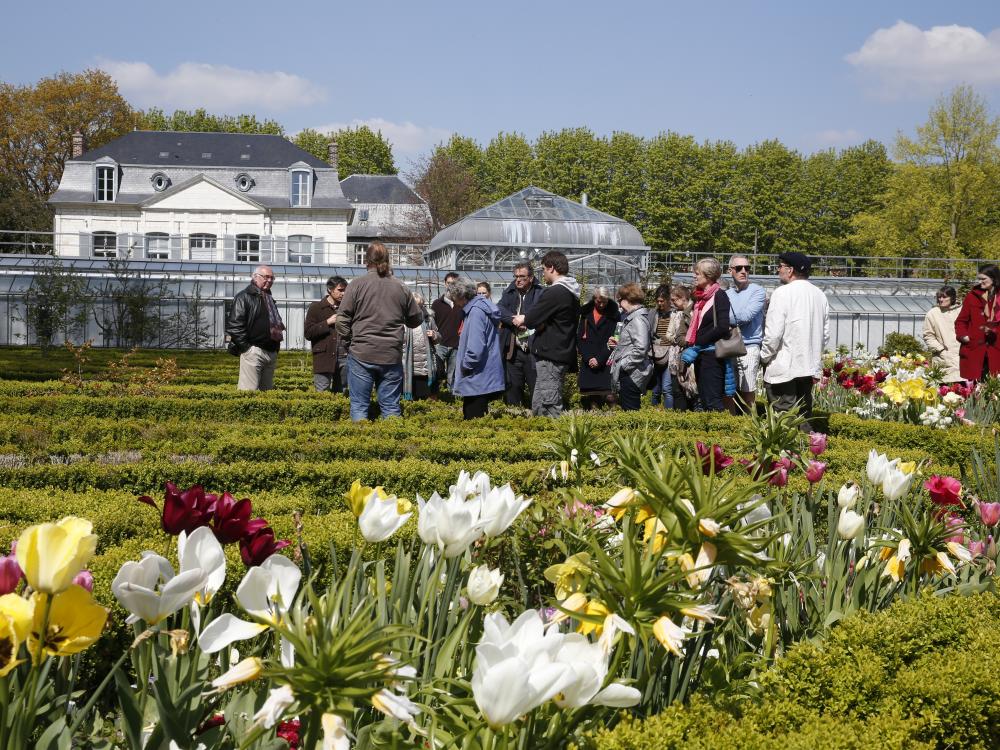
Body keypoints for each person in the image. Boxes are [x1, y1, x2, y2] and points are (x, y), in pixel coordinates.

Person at [336, 243, 423, 421]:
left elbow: (342, 320)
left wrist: (351, 339)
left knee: (360, 406)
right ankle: (393, 445)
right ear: (388, 260)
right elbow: (416, 320)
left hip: (362, 352)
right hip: (391, 354)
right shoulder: (401, 287)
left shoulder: (356, 285)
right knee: (391, 407)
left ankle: (362, 445)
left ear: (366, 260)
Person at [759, 251, 829, 428]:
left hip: (784, 368)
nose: (778, 270)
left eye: (780, 267)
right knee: (804, 419)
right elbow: (825, 335)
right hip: (807, 368)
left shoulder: (782, 293)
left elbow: (774, 333)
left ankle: (785, 455)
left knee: (784, 422)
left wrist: (764, 356)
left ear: (790, 270)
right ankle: (807, 454)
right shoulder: (819, 295)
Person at [513, 251, 580, 418]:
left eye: (543, 269)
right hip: (560, 352)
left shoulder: (556, 292)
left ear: (551, 268)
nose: (542, 273)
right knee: (540, 402)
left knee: (549, 405)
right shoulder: (571, 291)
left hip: (551, 355)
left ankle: (552, 440)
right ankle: (541, 438)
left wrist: (522, 318)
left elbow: (533, 318)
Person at [680, 258, 732, 412]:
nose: (694, 277)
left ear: (708, 276)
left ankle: (720, 434)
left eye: (697, 274)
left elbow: (722, 327)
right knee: (703, 398)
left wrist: (698, 342)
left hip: (712, 355)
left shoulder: (719, 296)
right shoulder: (701, 298)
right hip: (701, 354)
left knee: (712, 401)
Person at [451, 277, 505, 419]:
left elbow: (476, 347)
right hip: (482, 375)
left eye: (454, 298)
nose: (455, 303)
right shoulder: (480, 308)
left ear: (461, 296)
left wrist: (465, 366)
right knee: (479, 417)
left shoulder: (475, 312)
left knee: (473, 418)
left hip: (475, 376)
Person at [226, 265, 284, 391]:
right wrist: (247, 349)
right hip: (254, 351)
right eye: (266, 277)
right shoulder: (244, 297)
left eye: (272, 278)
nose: (269, 280)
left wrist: (276, 349)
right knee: (248, 393)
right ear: (255, 277)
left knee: (267, 393)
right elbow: (234, 326)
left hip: (271, 351)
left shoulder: (268, 298)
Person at [498, 262, 544, 407]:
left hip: (533, 350)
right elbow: (499, 309)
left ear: (530, 277)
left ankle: (536, 419)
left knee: (535, 388)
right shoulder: (510, 291)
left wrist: (527, 320)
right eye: (516, 276)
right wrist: (514, 320)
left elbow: (541, 312)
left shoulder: (540, 292)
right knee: (513, 387)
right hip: (513, 349)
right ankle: (514, 418)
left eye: (522, 276)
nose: (518, 280)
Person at [726, 255, 766, 413]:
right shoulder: (727, 293)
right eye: (739, 268)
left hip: (749, 347)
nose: (744, 271)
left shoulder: (758, 291)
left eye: (747, 268)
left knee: (747, 391)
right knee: (728, 391)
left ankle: (750, 425)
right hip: (729, 346)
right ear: (730, 271)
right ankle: (731, 426)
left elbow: (745, 316)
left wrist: (725, 317)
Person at [609, 282, 653, 412]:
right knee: (628, 408)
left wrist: (624, 365)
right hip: (630, 371)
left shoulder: (638, 319)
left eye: (619, 300)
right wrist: (617, 345)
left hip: (632, 373)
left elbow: (641, 348)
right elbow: (632, 344)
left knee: (631, 411)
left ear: (627, 299)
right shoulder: (632, 318)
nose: (619, 304)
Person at [577, 287, 620, 409]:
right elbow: (580, 338)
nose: (601, 305)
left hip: (606, 360)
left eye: (604, 302)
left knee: (610, 396)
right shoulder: (585, 314)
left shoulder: (614, 315)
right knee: (592, 398)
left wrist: (599, 359)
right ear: (593, 299)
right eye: (598, 301)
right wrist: (589, 357)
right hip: (588, 359)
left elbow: (614, 339)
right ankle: (594, 418)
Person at [956, 264, 1000, 382]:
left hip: (996, 349)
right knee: (975, 390)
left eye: (983, 279)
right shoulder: (972, 296)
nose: (980, 282)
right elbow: (961, 321)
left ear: (994, 278)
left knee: (995, 390)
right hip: (975, 349)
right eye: (979, 279)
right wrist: (964, 337)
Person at [304, 276, 348, 393]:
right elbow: (308, 333)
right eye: (340, 290)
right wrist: (328, 322)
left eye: (345, 290)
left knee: (342, 392)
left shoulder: (347, 309)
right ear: (330, 289)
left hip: (344, 357)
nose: (343, 293)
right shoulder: (316, 308)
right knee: (322, 392)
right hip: (324, 357)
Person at [402, 292, 440, 400]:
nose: (417, 308)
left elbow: (438, 337)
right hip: (407, 364)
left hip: (425, 365)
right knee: (411, 396)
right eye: (415, 305)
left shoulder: (429, 319)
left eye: (420, 305)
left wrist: (434, 335)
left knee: (427, 395)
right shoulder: (401, 320)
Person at [922, 285, 962, 383]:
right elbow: (928, 336)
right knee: (946, 390)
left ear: (952, 298)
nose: (941, 299)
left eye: (944, 297)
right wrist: (941, 350)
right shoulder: (932, 314)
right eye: (939, 297)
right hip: (944, 358)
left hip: (963, 356)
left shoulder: (962, 311)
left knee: (966, 391)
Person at [666, 285, 697, 410]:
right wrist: (675, 339)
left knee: (691, 389)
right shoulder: (674, 314)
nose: (672, 303)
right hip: (675, 356)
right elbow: (668, 334)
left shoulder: (693, 312)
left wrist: (683, 341)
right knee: (676, 390)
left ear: (683, 298)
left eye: (674, 300)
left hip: (689, 355)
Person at [431, 272, 461, 391]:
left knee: (452, 375)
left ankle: (451, 399)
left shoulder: (462, 304)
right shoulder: (437, 304)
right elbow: (432, 324)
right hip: (440, 344)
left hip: (456, 344)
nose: (451, 286)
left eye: (454, 283)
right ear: (444, 284)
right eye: (449, 283)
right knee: (436, 372)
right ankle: (434, 397)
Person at [648, 284, 673, 409]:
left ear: (668, 300)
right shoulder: (653, 313)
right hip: (655, 354)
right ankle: (654, 414)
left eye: (662, 301)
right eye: (657, 301)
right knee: (655, 389)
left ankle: (669, 415)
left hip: (669, 354)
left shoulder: (674, 314)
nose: (659, 303)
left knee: (667, 388)